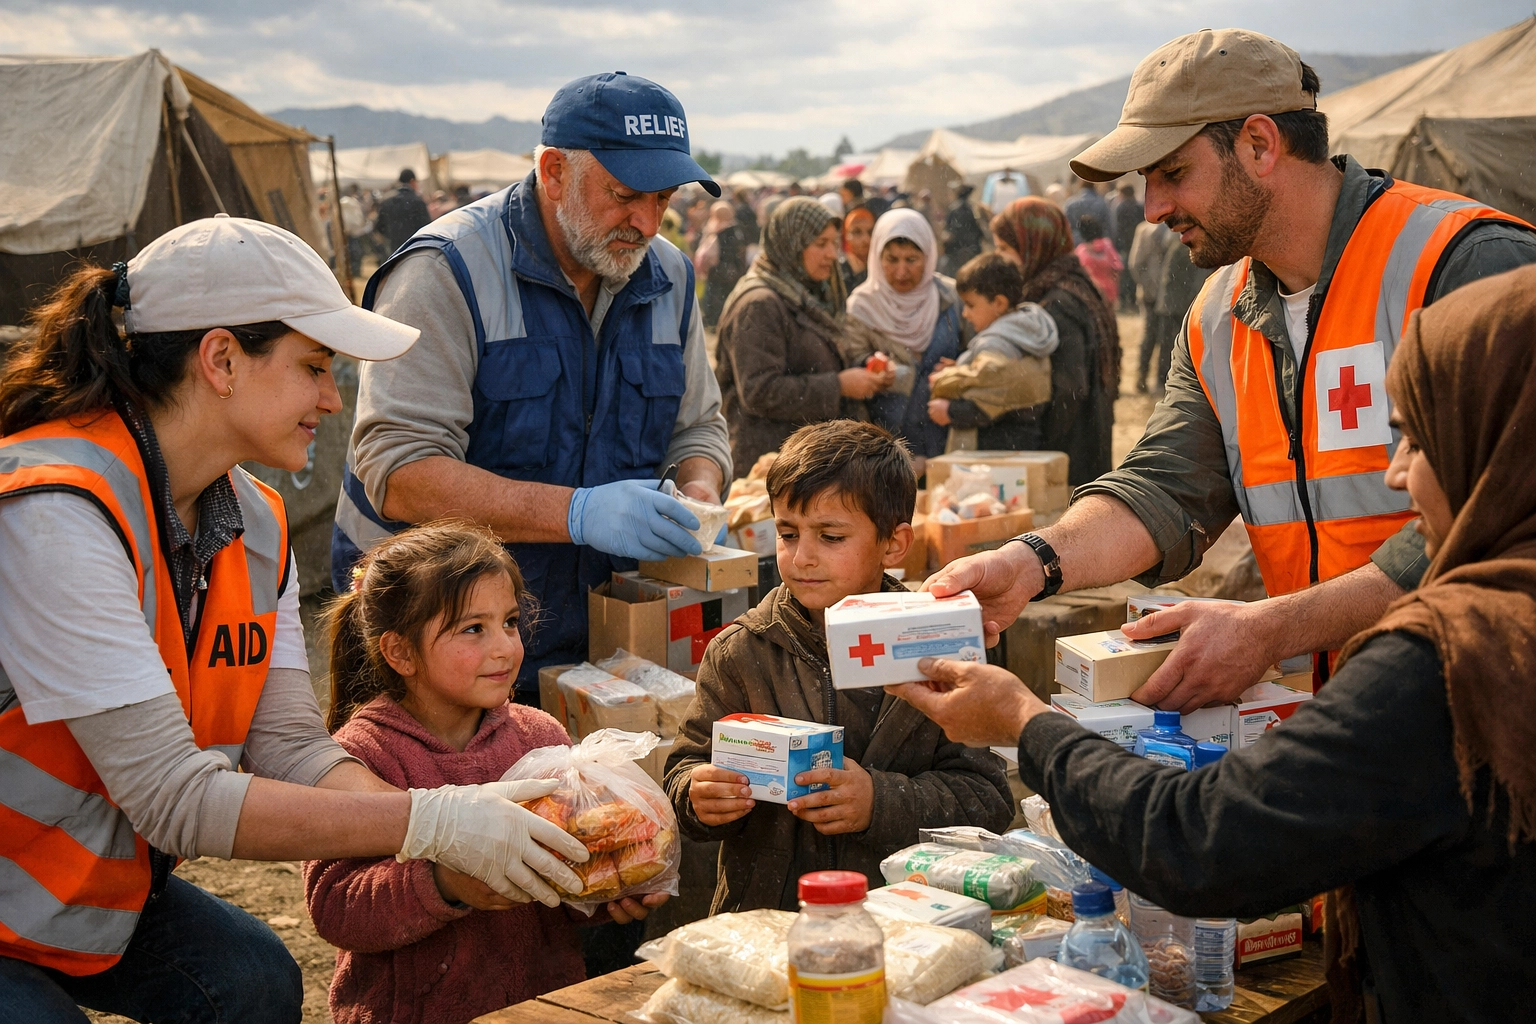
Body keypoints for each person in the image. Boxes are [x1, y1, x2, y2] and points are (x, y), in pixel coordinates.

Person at [892, 265, 1536, 1024]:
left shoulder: (1451, 662)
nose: (1396, 477)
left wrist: (1028, 724)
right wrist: (1038, 561)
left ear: (1500, 446)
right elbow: (1165, 482)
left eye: (1423, 443)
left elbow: (1200, 840)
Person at [0, 218, 594, 1024]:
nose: (330, 397)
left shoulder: (259, 523)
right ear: (220, 360)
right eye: (313, 367)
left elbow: (284, 746)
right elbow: (175, 797)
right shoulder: (54, 509)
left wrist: (467, 823)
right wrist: (434, 820)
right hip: (18, 894)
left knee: (251, 983)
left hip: (85, 888)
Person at [936, 27, 1536, 712]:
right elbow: (1165, 489)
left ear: (1259, 144)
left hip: (1487, 711)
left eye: (1172, 173)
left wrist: (1273, 627)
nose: (1154, 208)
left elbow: (1507, 519)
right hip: (1347, 722)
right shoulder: (1217, 315)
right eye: (1145, 182)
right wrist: (1031, 562)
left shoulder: (1471, 268)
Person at [331, 72, 732, 700]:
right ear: (553, 173)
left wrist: (698, 494)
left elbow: (698, 426)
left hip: (598, 632)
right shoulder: (446, 270)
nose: (648, 223)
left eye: (665, 199)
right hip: (435, 645)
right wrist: (576, 512)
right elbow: (400, 471)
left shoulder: (670, 276)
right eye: (626, 195)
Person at [305, 523, 667, 1024]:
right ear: (401, 652)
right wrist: (445, 883)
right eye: (473, 629)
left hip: (540, 1007)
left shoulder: (539, 738)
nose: (505, 647)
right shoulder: (361, 757)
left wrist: (607, 890)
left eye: (511, 622)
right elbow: (335, 904)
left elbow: (563, 872)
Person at [665, 421, 1014, 912]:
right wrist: (699, 797)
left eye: (830, 536)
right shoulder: (741, 653)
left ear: (894, 544)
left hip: (909, 921)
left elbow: (988, 800)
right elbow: (686, 767)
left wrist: (879, 801)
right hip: (769, 921)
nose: (802, 556)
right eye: (787, 533)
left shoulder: (940, 648)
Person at [715, 197, 894, 473]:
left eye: (834, 244)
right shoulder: (760, 304)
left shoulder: (809, 293)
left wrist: (864, 372)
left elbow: (815, 359)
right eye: (820, 244)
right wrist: (839, 386)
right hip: (769, 466)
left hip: (806, 462)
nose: (832, 255)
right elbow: (759, 391)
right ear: (791, 244)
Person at [992, 197, 1120, 484]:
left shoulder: (1056, 302)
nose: (1000, 258)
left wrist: (1039, 443)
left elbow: (1069, 390)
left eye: (1004, 248)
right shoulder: (1076, 282)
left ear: (1032, 245)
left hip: (1068, 453)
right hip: (1088, 438)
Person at [849, 208, 967, 470]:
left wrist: (961, 369)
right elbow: (851, 361)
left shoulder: (951, 298)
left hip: (945, 442)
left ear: (929, 256)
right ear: (877, 256)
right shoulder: (861, 306)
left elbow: (974, 350)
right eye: (891, 259)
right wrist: (873, 368)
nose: (901, 271)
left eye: (912, 260)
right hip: (884, 449)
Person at [928, 252, 1059, 450]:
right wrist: (962, 366)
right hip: (1025, 442)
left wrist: (951, 411)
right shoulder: (1029, 329)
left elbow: (993, 398)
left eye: (971, 305)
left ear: (999, 303)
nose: (965, 313)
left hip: (994, 447)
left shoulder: (996, 343)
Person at [1128, 219, 1179, 393]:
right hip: (1151, 294)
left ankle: (1162, 380)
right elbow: (1136, 263)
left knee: (1167, 339)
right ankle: (1142, 376)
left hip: (1169, 296)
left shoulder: (1179, 228)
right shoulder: (1145, 230)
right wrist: (1149, 287)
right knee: (1150, 336)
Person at [694, 200, 747, 329]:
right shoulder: (736, 229)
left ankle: (715, 321)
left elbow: (710, 254)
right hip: (733, 271)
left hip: (718, 271)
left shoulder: (717, 230)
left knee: (716, 298)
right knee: (727, 297)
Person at [373, 169, 431, 255]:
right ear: (412, 181)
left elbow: (379, 227)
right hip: (413, 250)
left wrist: (391, 236)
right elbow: (426, 227)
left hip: (392, 251)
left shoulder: (387, 201)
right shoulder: (418, 202)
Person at [1074, 213, 1123, 306]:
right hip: (1109, 293)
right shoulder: (1107, 245)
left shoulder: (1080, 251)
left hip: (1089, 294)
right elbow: (1118, 268)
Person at [1110, 183, 1143, 311]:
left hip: (1124, 244)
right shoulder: (1139, 206)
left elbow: (1116, 228)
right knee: (1134, 272)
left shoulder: (1120, 207)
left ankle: (1125, 300)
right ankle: (1133, 300)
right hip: (1136, 242)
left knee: (1124, 274)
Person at [940, 183, 984, 275]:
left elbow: (950, 232)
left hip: (957, 250)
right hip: (972, 248)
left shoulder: (954, 209)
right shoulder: (972, 208)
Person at [1062, 175, 1111, 245]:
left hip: (1078, 245)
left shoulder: (1070, 204)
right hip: (1099, 246)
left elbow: (1067, 229)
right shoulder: (1102, 203)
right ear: (1095, 185)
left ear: (1080, 185)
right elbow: (1109, 228)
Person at [839, 204, 875, 291]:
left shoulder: (886, 269)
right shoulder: (837, 273)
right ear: (845, 236)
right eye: (857, 232)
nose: (866, 240)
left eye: (870, 232)